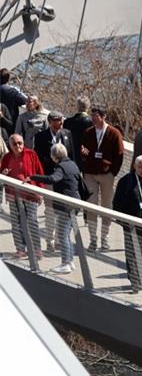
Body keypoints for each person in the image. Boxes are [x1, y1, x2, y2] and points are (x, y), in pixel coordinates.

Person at [28, 143, 81, 275]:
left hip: (66, 205)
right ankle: (69, 261)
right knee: (66, 234)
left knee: (62, 235)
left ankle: (65, 264)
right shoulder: (72, 164)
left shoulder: (61, 167)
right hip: (75, 203)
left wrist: (33, 177)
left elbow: (53, 178)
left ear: (54, 156)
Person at [79, 105, 124, 250]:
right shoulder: (87, 132)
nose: (92, 118)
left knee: (106, 207)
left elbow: (119, 155)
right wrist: (84, 155)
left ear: (103, 116)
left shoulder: (114, 133)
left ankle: (105, 238)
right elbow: (83, 151)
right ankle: (93, 239)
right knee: (91, 206)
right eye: (92, 116)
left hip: (106, 175)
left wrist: (112, 173)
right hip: (90, 174)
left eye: (95, 116)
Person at [34, 110, 74, 251]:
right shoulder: (40, 137)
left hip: (64, 181)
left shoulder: (67, 134)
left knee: (63, 211)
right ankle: (49, 240)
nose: (61, 122)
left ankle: (59, 240)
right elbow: (38, 159)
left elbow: (72, 157)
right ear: (50, 122)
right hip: (50, 178)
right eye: (57, 120)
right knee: (50, 211)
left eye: (61, 120)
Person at [112, 155, 142, 291]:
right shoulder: (125, 181)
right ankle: (134, 280)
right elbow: (117, 202)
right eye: (140, 167)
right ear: (135, 166)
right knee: (131, 252)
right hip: (130, 222)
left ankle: (140, 276)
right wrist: (121, 219)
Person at [1, 133, 43, 259]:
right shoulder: (7, 157)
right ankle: (20, 249)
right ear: (10, 145)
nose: (18, 146)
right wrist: (3, 173)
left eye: (20, 143)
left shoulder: (31, 154)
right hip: (13, 195)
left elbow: (40, 173)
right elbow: (1, 175)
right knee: (16, 222)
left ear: (23, 143)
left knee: (32, 221)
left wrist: (40, 192)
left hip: (30, 195)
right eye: (14, 144)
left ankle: (37, 249)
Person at [63, 96, 92, 163]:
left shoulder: (67, 122)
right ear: (88, 107)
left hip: (69, 155)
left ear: (77, 106)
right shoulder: (91, 123)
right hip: (85, 156)